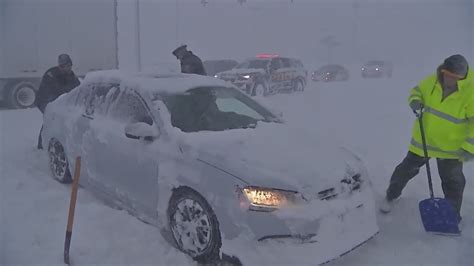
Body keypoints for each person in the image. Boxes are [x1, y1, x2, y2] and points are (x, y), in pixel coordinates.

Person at [380, 54, 473, 222]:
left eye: (455, 78)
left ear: (463, 77)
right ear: (443, 71)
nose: (450, 80)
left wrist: (469, 148)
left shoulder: (471, 92)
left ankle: (451, 216)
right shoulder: (432, 81)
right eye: (448, 75)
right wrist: (415, 100)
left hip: (451, 147)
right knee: (404, 170)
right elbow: (417, 91)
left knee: (453, 183)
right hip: (424, 140)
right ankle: (391, 196)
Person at [36, 54, 80, 149]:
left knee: (61, 121)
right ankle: (41, 146)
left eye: (68, 66)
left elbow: (78, 90)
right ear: (59, 66)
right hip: (45, 101)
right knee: (50, 120)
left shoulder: (73, 77)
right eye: (63, 66)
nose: (66, 68)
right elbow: (46, 93)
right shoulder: (51, 75)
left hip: (60, 103)